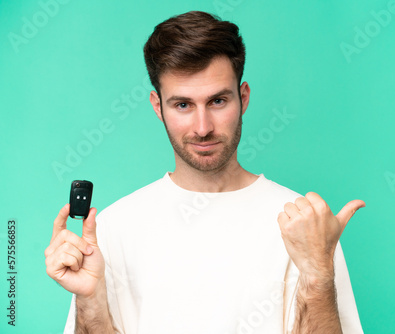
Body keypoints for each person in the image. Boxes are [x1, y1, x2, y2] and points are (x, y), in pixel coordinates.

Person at [45, 10, 365, 334]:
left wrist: (318, 278)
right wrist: (89, 301)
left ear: (243, 98)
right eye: (183, 105)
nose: (202, 128)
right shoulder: (112, 229)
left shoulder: (306, 226)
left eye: (217, 101)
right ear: (158, 107)